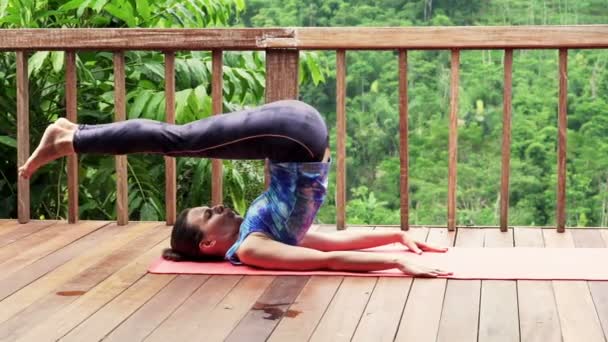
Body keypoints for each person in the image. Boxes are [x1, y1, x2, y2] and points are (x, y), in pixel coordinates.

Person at [19, 100, 452, 277]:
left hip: (293, 135)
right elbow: (331, 252)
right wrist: (396, 254)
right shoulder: (253, 247)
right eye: (209, 213)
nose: (220, 205)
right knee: (179, 140)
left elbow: (329, 250)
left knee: (181, 140)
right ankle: (71, 136)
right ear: (209, 244)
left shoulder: (259, 232)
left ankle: (72, 136)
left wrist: (397, 244)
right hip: (294, 134)